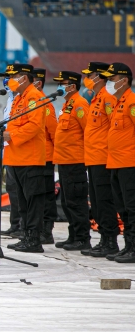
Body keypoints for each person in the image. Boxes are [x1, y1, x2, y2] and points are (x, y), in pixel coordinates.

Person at [0, 64, 47, 253]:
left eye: (14, 76)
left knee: (32, 201)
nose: (10, 80)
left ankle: (34, 239)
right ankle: (25, 235)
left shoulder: (34, 96)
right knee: (22, 202)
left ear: (24, 78)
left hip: (30, 157)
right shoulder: (20, 98)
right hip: (16, 157)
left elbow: (35, 125)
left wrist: (13, 135)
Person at [81, 62, 120, 257]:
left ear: (99, 77)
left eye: (90, 75)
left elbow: (115, 126)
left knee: (105, 201)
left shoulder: (107, 99)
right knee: (96, 203)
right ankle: (104, 239)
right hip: (92, 158)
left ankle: (111, 241)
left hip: (103, 158)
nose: (86, 79)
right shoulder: (95, 98)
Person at [100, 62, 135, 263]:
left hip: (129, 164)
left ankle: (134, 247)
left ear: (124, 80)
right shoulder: (118, 103)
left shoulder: (131, 102)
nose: (109, 83)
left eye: (111, 79)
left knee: (132, 207)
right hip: (115, 163)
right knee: (122, 208)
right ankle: (128, 246)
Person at [52, 71, 91, 251]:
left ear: (72, 86)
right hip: (64, 160)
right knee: (67, 202)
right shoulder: (68, 104)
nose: (60, 86)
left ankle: (82, 238)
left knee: (76, 201)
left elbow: (88, 132)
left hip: (75, 161)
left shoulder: (80, 104)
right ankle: (73, 235)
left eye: (63, 83)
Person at [31, 68, 58, 244]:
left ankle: (46, 231)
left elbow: (54, 131)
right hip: (36, 155)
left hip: (46, 156)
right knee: (36, 193)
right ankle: (37, 228)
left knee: (46, 194)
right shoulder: (32, 100)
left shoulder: (44, 104)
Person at [0, 77, 22, 239]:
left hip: (20, 151)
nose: (6, 83)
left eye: (10, 79)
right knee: (12, 190)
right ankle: (15, 225)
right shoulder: (10, 100)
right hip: (8, 150)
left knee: (20, 191)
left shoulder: (25, 100)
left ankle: (22, 226)